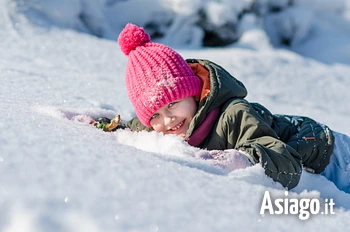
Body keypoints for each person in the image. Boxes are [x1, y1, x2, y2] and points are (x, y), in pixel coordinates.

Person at [102, 23, 349, 192]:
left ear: (194, 94)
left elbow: (286, 163)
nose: (167, 120)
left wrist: (244, 158)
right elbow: (136, 125)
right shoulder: (162, 125)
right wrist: (109, 125)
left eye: (173, 103)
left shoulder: (234, 114)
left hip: (328, 153)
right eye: (155, 114)